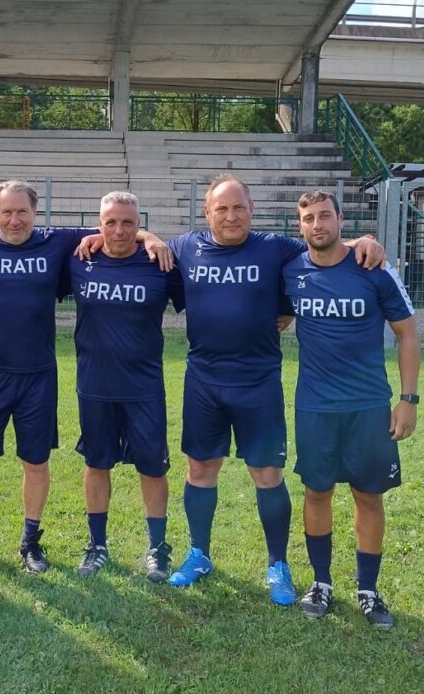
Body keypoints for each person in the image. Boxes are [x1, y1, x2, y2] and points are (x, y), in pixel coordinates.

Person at [164, 174, 385, 606]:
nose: (231, 216)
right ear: (206, 212)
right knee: (199, 470)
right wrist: (148, 236)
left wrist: (366, 239)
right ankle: (198, 554)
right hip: (204, 381)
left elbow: (326, 244)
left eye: (239, 208)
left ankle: (277, 564)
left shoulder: (274, 248)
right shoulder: (184, 248)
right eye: (221, 209)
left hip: (259, 382)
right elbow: (133, 239)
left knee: (267, 474)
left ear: (252, 211)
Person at [0, 180, 172, 575]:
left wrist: (151, 236)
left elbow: (116, 231)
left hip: (38, 373)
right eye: (7, 212)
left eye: (22, 212)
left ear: (36, 213)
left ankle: (31, 541)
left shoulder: (57, 242)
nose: (14, 220)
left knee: (36, 461)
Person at [284, 190, 420, 628]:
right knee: (316, 491)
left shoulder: (374, 268)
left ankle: (368, 589)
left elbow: (407, 335)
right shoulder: (291, 271)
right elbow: (277, 316)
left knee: (368, 495)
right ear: (299, 226)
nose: (317, 224)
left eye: (325, 215)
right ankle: (321, 583)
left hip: (367, 406)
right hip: (315, 408)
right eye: (308, 218)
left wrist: (408, 399)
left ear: (341, 219)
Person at [65, 191, 175, 582]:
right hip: (94, 386)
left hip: (144, 388)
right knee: (97, 464)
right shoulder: (80, 260)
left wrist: (152, 239)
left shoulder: (159, 263)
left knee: (152, 467)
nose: (119, 230)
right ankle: (97, 545)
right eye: (110, 222)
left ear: (139, 223)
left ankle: (157, 548)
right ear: (98, 225)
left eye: (129, 222)